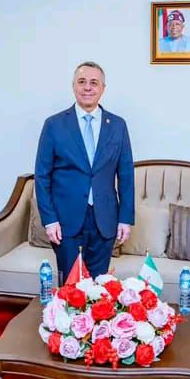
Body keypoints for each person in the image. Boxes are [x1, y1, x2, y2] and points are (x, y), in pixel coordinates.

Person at [35, 61, 134, 282]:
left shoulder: (118, 125)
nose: (87, 87)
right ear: (73, 87)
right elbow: (41, 177)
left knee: (99, 288)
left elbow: (126, 176)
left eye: (94, 83)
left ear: (103, 88)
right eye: (82, 82)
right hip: (65, 222)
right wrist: (49, 220)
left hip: (104, 221)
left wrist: (125, 219)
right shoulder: (54, 125)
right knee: (71, 288)